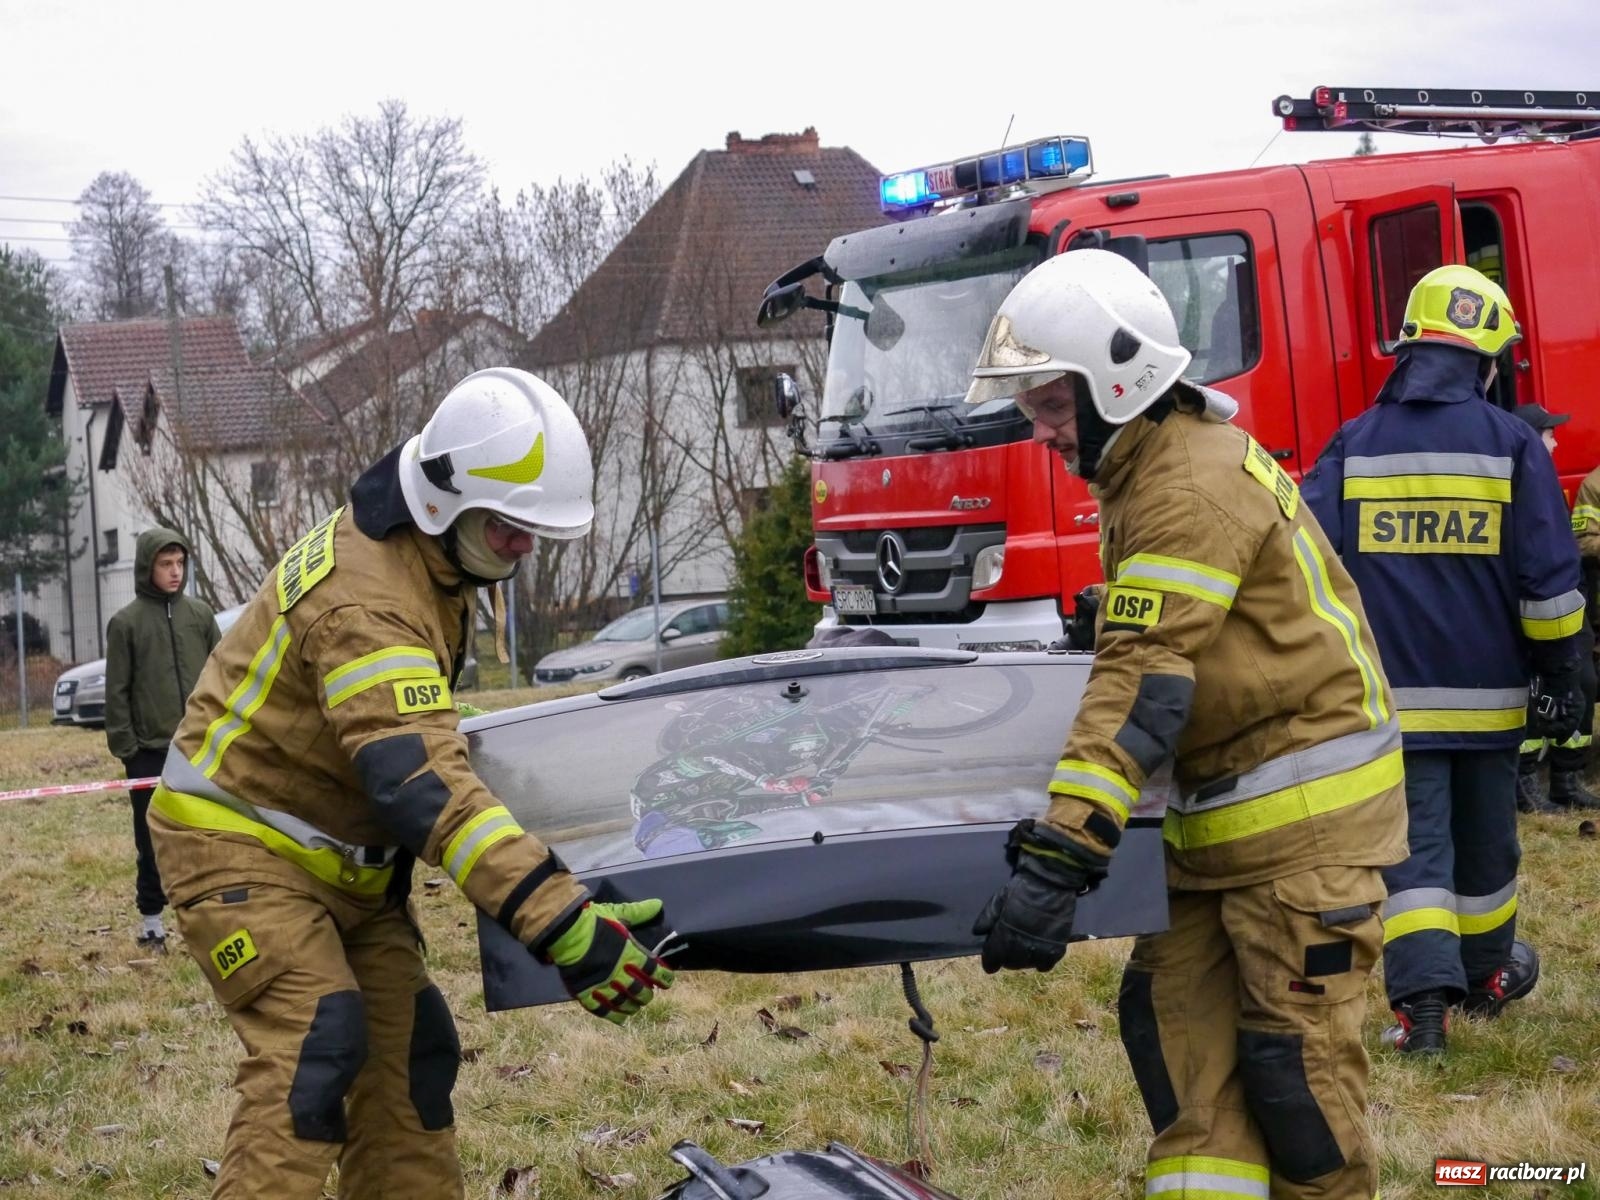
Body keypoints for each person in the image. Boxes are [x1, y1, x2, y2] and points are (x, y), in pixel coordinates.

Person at [148, 368, 675, 1199]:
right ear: (447, 501)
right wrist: (561, 922)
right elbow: (420, 785)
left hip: (342, 865)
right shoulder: (367, 601)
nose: (525, 548)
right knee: (316, 1045)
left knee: (408, 1056)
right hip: (239, 848)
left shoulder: (429, 557)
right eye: (510, 529)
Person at [965, 249, 1406, 1200]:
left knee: (1295, 1088)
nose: (1036, 430)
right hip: (1217, 834)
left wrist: (1059, 859)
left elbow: (1142, 687)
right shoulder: (1151, 467)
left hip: (1302, 840)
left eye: (1047, 404)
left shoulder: (1184, 488)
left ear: (1114, 381)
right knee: (1181, 1058)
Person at [1301, 265, 1586, 1055]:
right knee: (1489, 847)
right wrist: (1564, 675)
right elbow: (1548, 583)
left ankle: (1422, 1006)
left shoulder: (1355, 444)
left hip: (1391, 706)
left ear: (1410, 350)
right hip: (1492, 701)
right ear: (1486, 361)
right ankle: (1486, 977)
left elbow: (1310, 563)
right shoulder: (1512, 443)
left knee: (1414, 852)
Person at [103, 527, 220, 951]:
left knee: (207, 834)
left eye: (180, 563)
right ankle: (152, 922)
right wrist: (128, 750)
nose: (175, 572)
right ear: (146, 567)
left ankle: (209, 914)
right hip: (148, 754)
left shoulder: (201, 616)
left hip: (199, 748)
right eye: (165, 564)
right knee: (151, 840)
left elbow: (222, 676)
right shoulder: (125, 624)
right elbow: (116, 692)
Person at [1509, 403, 1600, 813]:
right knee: (1535, 696)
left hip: (1570, 607)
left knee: (1583, 686)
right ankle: (1525, 782)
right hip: (1532, 611)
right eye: (1549, 434)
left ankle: (1568, 780)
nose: (1557, 440)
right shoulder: (1516, 484)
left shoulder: (1542, 482)